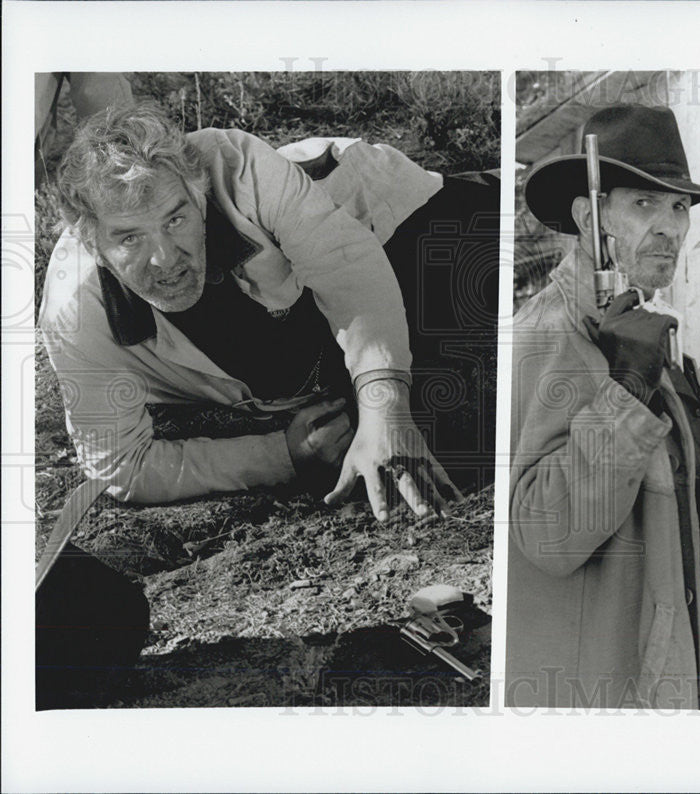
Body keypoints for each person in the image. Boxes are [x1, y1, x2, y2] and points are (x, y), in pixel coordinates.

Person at [40, 101, 498, 518]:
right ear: (92, 243)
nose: (165, 257)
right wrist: (283, 453)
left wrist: (385, 406)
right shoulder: (73, 314)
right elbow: (121, 465)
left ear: (199, 197)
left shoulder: (238, 163)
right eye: (129, 238)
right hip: (305, 324)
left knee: (498, 252)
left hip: (384, 219)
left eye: (175, 219)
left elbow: (349, 270)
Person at [506, 105, 700, 709]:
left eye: (679, 207)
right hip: (602, 695)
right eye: (643, 204)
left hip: (673, 669)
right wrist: (625, 395)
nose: (669, 227)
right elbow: (546, 533)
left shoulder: (643, 334)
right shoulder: (547, 335)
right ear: (590, 217)